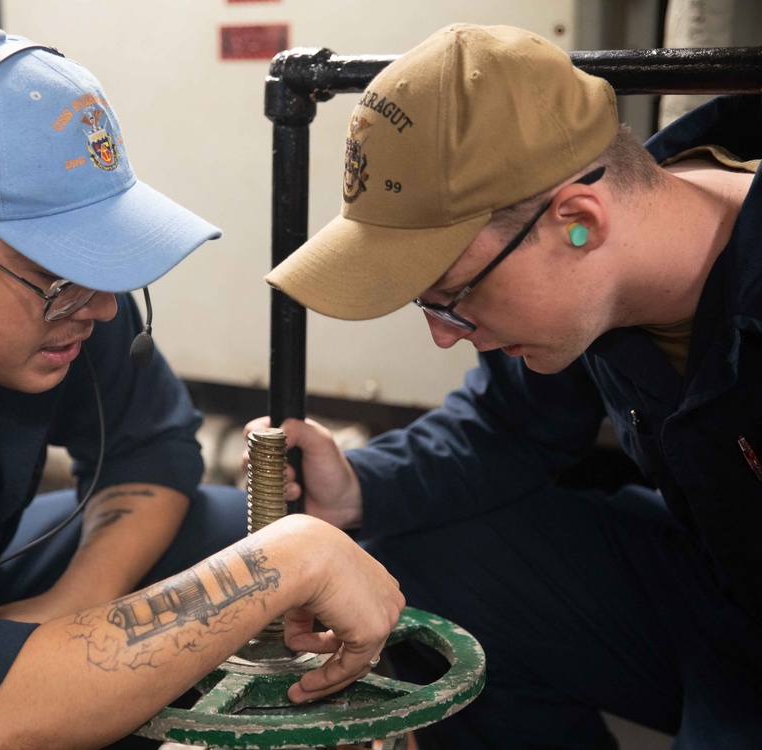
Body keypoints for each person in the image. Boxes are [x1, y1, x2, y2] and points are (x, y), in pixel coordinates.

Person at [0, 29, 405, 749]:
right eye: (62, 275)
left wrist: (76, 602)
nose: (101, 309)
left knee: (219, 528)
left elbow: (151, 446)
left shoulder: (53, 287)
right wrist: (279, 567)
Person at [253, 23, 762, 748]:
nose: (442, 331)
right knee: (426, 554)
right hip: (724, 593)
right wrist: (359, 490)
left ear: (578, 223)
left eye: (450, 296)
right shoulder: (613, 264)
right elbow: (508, 426)